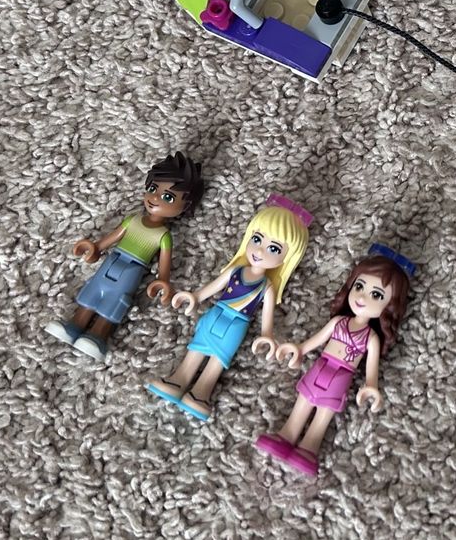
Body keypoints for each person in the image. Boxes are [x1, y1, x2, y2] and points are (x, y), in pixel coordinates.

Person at [146, 195, 312, 421]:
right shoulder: (235, 271)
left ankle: (201, 392)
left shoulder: (266, 287)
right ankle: (178, 379)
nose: (259, 251)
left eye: (273, 249)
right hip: (216, 314)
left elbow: (267, 318)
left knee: (218, 360)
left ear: (287, 258)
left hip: (237, 325)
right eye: (257, 239)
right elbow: (212, 288)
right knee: (196, 348)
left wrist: (266, 335)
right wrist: (194, 297)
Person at [254, 247, 413, 477]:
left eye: (377, 295)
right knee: (303, 401)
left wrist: (370, 386)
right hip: (321, 366)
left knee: (324, 412)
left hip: (342, 377)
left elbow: (371, 369)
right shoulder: (338, 322)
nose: (362, 297)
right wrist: (299, 349)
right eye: (359, 286)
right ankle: (286, 434)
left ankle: (309, 448)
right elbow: (317, 340)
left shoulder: (371, 338)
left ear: (389, 306)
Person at [44, 152, 203, 362]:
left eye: (168, 197)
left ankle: (98, 336)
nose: (155, 198)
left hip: (133, 270)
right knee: (93, 290)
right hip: (112, 260)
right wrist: (94, 248)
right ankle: (75, 325)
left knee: (116, 300)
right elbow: (111, 239)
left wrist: (162, 281)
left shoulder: (163, 236)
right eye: (153, 189)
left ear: (185, 206)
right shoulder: (132, 220)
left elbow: (164, 266)